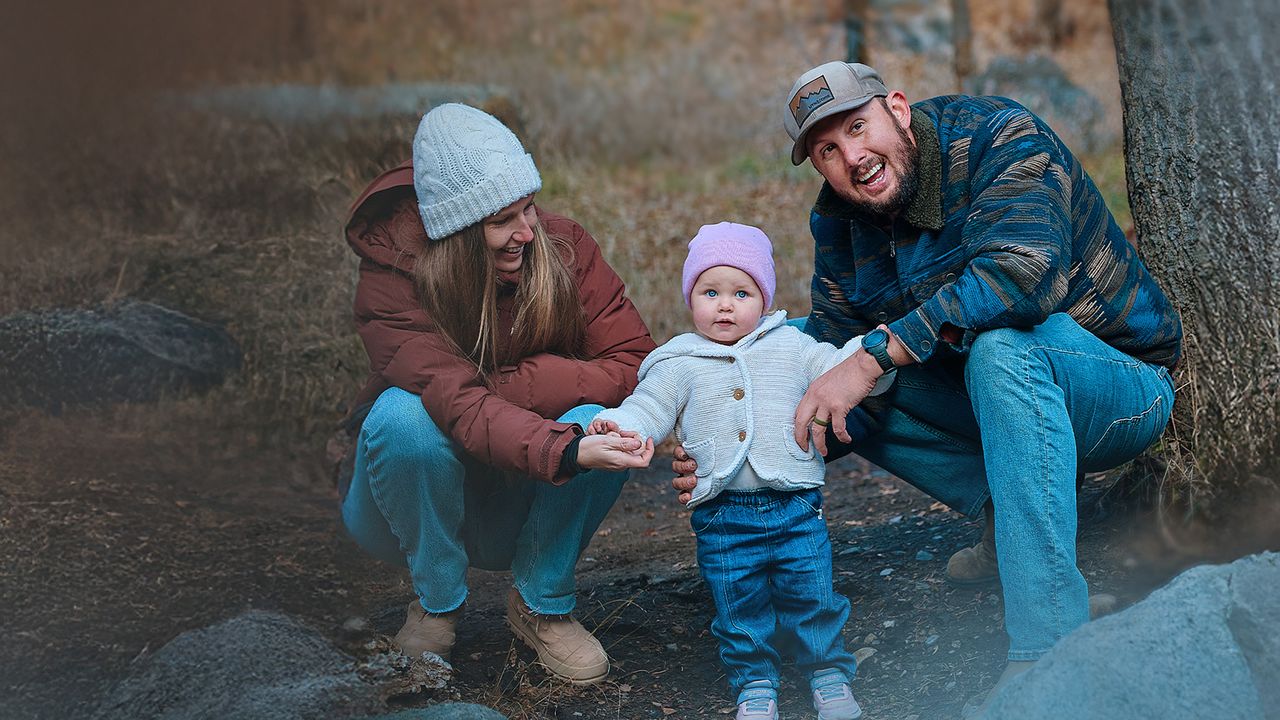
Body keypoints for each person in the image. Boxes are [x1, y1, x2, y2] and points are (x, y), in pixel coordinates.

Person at [675, 61, 1183, 706]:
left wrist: (869, 360)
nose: (853, 157)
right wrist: (729, 451)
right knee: (802, 355)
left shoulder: (1002, 137)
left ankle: (1049, 647)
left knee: (991, 350)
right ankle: (1013, 525)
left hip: (1117, 385)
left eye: (860, 127)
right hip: (986, 392)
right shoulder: (838, 217)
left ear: (899, 108)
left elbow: (1021, 278)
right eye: (828, 150)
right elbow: (827, 348)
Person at [337, 103, 657, 685]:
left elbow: (637, 362)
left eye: (529, 206)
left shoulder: (563, 247)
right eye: (502, 220)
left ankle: (542, 604)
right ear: (457, 232)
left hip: (519, 492)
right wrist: (564, 447)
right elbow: (455, 402)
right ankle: (435, 604)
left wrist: (526, 386)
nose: (528, 231)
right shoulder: (392, 278)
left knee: (609, 418)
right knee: (403, 415)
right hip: (409, 499)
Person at [591, 222, 890, 720]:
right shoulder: (679, 361)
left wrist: (872, 356)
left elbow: (840, 370)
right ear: (691, 299)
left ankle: (828, 674)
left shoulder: (793, 347)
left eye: (741, 292)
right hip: (722, 516)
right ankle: (754, 683)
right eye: (711, 292)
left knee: (812, 592)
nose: (725, 305)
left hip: (795, 504)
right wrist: (622, 423)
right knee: (738, 604)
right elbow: (648, 407)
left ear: (764, 298)